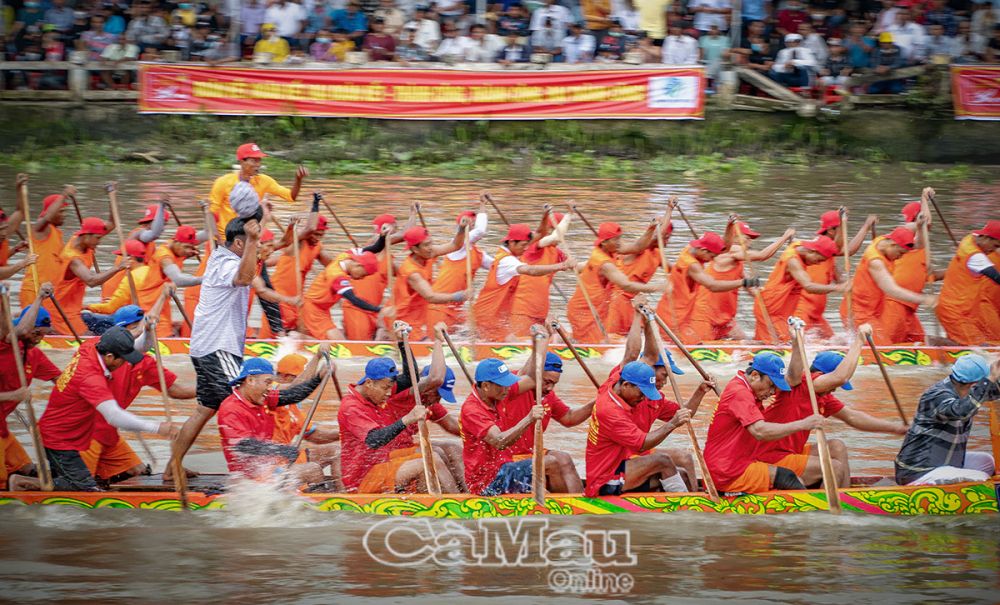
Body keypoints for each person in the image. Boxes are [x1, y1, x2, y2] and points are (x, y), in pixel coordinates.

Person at [164, 217, 261, 482]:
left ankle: (172, 467)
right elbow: (244, 277)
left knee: (204, 409)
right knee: (247, 400)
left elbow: (255, 264)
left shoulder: (227, 257)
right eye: (252, 241)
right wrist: (254, 241)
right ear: (239, 242)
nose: (258, 244)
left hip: (208, 346)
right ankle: (258, 474)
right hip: (218, 347)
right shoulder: (225, 263)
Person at [756, 322, 908, 488]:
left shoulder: (823, 396)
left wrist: (895, 428)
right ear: (820, 375)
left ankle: (845, 494)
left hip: (791, 452)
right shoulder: (805, 383)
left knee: (837, 447)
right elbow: (840, 378)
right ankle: (827, 509)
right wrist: (859, 340)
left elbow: (853, 417)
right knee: (835, 468)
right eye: (832, 385)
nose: (835, 389)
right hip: (770, 456)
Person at [37, 326, 180, 491]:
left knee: (130, 474)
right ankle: (25, 483)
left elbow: (137, 348)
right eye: (123, 360)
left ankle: (85, 479)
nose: (126, 363)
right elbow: (114, 416)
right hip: (62, 438)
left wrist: (147, 329)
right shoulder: (90, 377)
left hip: (80, 429)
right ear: (110, 357)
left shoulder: (93, 346)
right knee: (83, 491)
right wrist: (157, 428)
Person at [338, 329, 463, 493]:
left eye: (390, 388)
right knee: (429, 461)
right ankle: (458, 505)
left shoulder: (376, 394)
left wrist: (402, 342)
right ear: (369, 383)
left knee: (437, 453)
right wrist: (407, 419)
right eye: (385, 388)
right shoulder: (351, 407)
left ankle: (455, 496)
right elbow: (374, 440)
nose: (389, 394)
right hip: (363, 477)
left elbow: (411, 377)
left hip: (382, 461)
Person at [83, 310, 198, 486]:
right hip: (85, 432)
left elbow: (175, 391)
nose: (139, 332)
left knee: (136, 473)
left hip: (109, 432)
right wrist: (157, 428)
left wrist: (209, 388)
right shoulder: (100, 353)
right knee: (83, 487)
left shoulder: (145, 362)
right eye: (135, 328)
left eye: (140, 328)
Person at [703, 352, 825, 494]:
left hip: (730, 465)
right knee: (789, 478)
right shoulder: (740, 392)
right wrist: (803, 424)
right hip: (727, 472)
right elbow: (760, 432)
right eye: (771, 385)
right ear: (755, 375)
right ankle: (811, 514)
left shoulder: (743, 386)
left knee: (792, 479)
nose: (773, 392)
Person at [585, 359, 704, 497]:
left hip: (621, 463)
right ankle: (687, 509)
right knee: (663, 460)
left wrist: (701, 391)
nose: (644, 398)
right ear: (626, 385)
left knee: (682, 474)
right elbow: (642, 444)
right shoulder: (610, 411)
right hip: (605, 478)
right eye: (642, 393)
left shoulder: (621, 386)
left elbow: (683, 413)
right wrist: (672, 424)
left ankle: (691, 501)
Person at [217, 356, 327, 486]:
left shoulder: (262, 397)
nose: (270, 388)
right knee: (313, 470)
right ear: (251, 380)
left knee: (315, 466)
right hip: (248, 478)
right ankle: (317, 504)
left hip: (267, 467)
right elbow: (243, 445)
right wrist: (281, 450)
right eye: (267, 382)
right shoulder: (231, 408)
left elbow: (294, 395)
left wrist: (319, 378)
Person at [895, 354, 999, 485]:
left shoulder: (968, 391)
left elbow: (991, 391)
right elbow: (961, 411)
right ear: (974, 384)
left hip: (942, 463)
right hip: (918, 471)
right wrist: (989, 380)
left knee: (986, 462)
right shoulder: (936, 395)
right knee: (980, 477)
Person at [499, 351, 594, 492]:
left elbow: (568, 418)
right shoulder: (511, 386)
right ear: (534, 374)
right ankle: (564, 503)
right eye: (547, 382)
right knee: (552, 462)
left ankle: (579, 501)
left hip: (529, 452)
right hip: (507, 457)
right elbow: (525, 369)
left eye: (554, 383)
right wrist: (544, 337)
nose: (550, 388)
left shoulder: (547, 394)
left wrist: (597, 402)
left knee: (564, 458)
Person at [689, 220, 795, 342]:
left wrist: (776, 298)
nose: (750, 242)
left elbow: (752, 290)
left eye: (751, 238)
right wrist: (784, 237)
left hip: (725, 319)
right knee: (702, 351)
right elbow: (762, 255)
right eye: (747, 237)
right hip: (705, 315)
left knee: (746, 345)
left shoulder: (737, 262)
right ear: (735, 237)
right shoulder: (732, 252)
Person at [0, 284, 61, 491]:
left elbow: (61, 381)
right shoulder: (5, 343)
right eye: (36, 334)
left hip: (2, 429)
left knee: (29, 469)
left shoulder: (34, 354)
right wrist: (38, 298)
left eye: (43, 335)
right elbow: (20, 330)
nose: (39, 340)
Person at [472, 223, 574, 341]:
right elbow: (530, 270)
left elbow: (540, 233)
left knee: (514, 339)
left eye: (527, 245)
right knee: (520, 341)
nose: (526, 249)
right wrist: (561, 266)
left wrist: (545, 216)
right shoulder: (507, 261)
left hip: (494, 315)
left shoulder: (507, 256)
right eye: (523, 245)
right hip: (489, 316)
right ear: (511, 243)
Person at [655, 231, 756, 344]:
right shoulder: (692, 265)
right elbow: (712, 285)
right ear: (703, 250)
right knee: (696, 348)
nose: (711, 260)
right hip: (673, 316)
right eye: (712, 256)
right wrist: (743, 282)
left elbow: (724, 249)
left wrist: (729, 226)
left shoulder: (690, 249)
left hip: (681, 313)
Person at [569, 221, 661, 343]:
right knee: (594, 347)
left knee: (600, 340)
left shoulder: (611, 248)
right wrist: (657, 288)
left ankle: (567, 340)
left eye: (620, 238)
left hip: (597, 308)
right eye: (616, 239)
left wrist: (651, 228)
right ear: (604, 242)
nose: (619, 242)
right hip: (584, 311)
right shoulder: (605, 264)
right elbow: (626, 285)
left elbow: (638, 247)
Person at [841, 226, 937, 343]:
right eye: (900, 253)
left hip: (875, 310)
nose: (900, 257)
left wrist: (920, 223)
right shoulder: (875, 261)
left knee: (908, 340)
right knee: (883, 349)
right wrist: (923, 299)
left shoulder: (883, 240)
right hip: (858, 311)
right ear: (893, 245)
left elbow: (914, 231)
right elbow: (892, 290)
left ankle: (843, 343)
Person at [797, 210, 877, 338]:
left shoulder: (827, 255)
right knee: (807, 346)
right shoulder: (821, 245)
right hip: (803, 310)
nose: (844, 234)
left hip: (817, 313)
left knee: (833, 341)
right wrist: (866, 227)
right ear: (830, 230)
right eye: (841, 229)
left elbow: (839, 279)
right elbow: (847, 250)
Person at [753, 236, 845, 341]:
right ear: (813, 251)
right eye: (819, 260)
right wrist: (837, 287)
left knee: (779, 343)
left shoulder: (799, 246)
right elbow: (808, 286)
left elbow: (795, 242)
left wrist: (789, 235)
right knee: (780, 345)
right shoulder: (793, 261)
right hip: (771, 309)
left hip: (783, 310)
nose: (818, 263)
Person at [208, 143, 307, 240]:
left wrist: (298, 180)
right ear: (242, 162)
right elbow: (211, 213)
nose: (258, 164)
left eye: (259, 160)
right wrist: (218, 240)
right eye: (254, 161)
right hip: (225, 239)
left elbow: (291, 196)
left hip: (247, 238)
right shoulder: (223, 182)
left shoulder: (264, 181)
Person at [271, 353, 341, 485]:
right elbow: (295, 387)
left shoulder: (295, 405)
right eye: (305, 376)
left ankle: (343, 496)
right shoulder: (270, 391)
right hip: (270, 464)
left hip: (289, 457)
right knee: (313, 470)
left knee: (336, 451)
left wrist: (343, 432)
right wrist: (318, 357)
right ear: (285, 377)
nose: (307, 386)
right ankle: (319, 501)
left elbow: (314, 435)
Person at [54, 216, 128, 336]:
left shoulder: (85, 241)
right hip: (62, 312)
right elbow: (91, 281)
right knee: (89, 338)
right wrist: (118, 267)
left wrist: (110, 197)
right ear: (86, 235)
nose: (99, 242)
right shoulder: (72, 258)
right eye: (97, 238)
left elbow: (112, 222)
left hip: (75, 309)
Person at [393, 224, 469, 340]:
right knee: (429, 352)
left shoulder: (428, 253)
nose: (431, 247)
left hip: (420, 316)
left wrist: (462, 229)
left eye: (430, 243)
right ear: (415, 249)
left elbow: (455, 245)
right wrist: (459, 296)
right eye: (426, 245)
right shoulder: (412, 272)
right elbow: (431, 297)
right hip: (406, 321)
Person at [428, 197, 492, 331]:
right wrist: (482, 205)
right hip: (439, 308)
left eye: (473, 223)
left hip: (455, 309)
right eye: (469, 224)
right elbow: (480, 231)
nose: (473, 227)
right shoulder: (458, 245)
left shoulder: (478, 254)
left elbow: (497, 266)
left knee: (476, 328)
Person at [605, 217, 672, 336]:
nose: (667, 242)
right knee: (613, 336)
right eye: (666, 238)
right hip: (618, 300)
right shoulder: (639, 249)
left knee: (634, 333)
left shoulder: (657, 254)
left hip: (634, 300)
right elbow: (656, 235)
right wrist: (668, 210)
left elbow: (675, 270)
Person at [936, 220, 1000, 345]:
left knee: (978, 343)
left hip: (962, 310)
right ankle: (938, 347)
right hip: (956, 313)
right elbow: (997, 278)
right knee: (981, 348)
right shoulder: (976, 257)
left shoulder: (969, 239)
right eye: (995, 245)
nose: (994, 251)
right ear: (986, 238)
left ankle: (940, 344)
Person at [300, 248, 386, 340]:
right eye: (363, 274)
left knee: (335, 339)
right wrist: (379, 309)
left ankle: (301, 335)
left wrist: (383, 238)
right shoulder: (337, 277)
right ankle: (296, 338)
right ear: (358, 265)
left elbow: (374, 247)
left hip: (323, 308)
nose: (361, 278)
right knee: (339, 343)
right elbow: (354, 300)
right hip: (313, 310)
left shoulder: (345, 256)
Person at [509, 211, 570, 338]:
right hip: (523, 311)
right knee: (520, 343)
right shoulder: (533, 247)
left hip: (541, 311)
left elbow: (576, 267)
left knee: (565, 338)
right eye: (553, 229)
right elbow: (555, 237)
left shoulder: (556, 252)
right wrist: (570, 214)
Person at [14, 175, 69, 310]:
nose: (64, 215)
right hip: (33, 291)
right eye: (61, 211)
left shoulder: (56, 233)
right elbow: (47, 217)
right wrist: (64, 195)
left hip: (47, 293)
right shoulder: (41, 228)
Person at [100, 198, 168, 300]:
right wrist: (162, 206)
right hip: (117, 289)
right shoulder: (139, 234)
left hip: (129, 288)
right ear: (147, 224)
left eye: (164, 224)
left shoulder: (151, 244)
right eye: (161, 223)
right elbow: (154, 234)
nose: (162, 228)